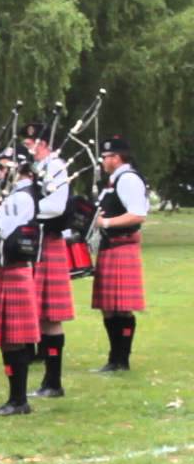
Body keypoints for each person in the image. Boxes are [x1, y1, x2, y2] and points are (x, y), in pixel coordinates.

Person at [0, 147, 41, 415]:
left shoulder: (20, 198)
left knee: (14, 338)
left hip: (13, 269)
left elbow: (4, 231)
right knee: (8, 338)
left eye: (4, 166)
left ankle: (18, 399)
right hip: (9, 270)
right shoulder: (16, 196)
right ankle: (16, 398)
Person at [23, 122, 73, 397]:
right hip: (35, 245)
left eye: (31, 144)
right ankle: (48, 379)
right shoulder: (38, 169)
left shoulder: (57, 167)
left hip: (49, 243)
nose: (28, 148)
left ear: (43, 144)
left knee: (51, 317)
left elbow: (56, 206)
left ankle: (53, 382)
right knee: (42, 316)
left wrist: (23, 210)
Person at [92, 136, 148, 371]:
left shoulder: (128, 180)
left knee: (122, 307)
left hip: (121, 245)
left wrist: (105, 223)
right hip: (110, 247)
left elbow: (137, 214)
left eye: (106, 157)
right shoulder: (114, 181)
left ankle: (121, 359)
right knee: (109, 306)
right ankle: (113, 358)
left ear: (116, 158)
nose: (103, 161)